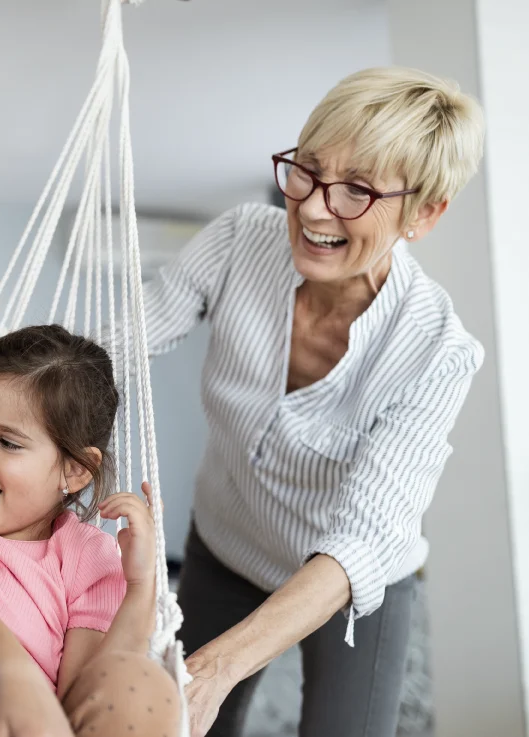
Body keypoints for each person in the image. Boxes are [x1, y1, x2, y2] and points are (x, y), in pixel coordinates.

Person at [139, 67, 486, 736]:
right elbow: (120, 339)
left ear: (423, 213)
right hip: (226, 543)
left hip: (348, 585)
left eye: (355, 189)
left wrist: (218, 666)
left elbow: (359, 541)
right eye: (306, 170)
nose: (312, 207)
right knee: (184, 722)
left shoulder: (438, 352)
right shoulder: (242, 239)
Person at [0, 173, 182, 734]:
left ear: (76, 470)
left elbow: (89, 694)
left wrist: (139, 589)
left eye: (8, 442)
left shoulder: (85, 559)